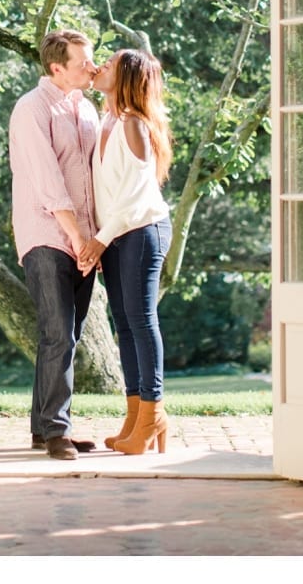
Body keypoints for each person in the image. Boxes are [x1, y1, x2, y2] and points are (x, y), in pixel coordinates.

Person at [8, 29, 101, 461]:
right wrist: (78, 236)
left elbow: (96, 177)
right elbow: (47, 180)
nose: (91, 66)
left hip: (84, 239)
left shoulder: (87, 110)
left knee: (68, 334)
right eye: (82, 62)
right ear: (56, 67)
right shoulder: (31, 108)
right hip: (47, 234)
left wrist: (95, 238)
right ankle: (56, 431)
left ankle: (42, 426)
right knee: (57, 332)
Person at [76, 48, 174, 455]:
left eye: (110, 64)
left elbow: (133, 198)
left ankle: (152, 415)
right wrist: (100, 236)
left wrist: (99, 239)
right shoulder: (107, 121)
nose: (100, 66)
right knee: (126, 326)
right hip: (117, 235)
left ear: (127, 77)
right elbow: (104, 195)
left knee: (140, 320)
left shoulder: (134, 125)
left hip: (140, 231)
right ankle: (136, 416)